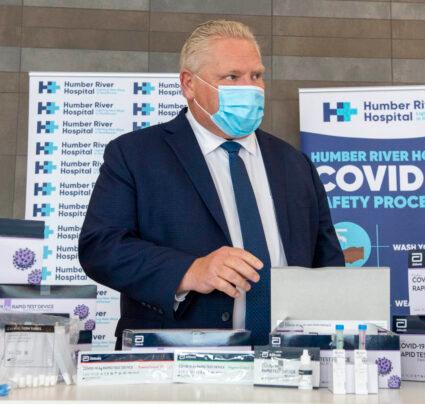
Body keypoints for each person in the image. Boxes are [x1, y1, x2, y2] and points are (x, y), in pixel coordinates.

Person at [78, 20, 344, 348]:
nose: (251, 88)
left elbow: (329, 265)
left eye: (256, 76)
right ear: (189, 84)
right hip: (176, 369)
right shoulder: (135, 154)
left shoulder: (295, 164)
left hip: (289, 368)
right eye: (232, 77)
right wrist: (190, 270)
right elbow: (101, 248)